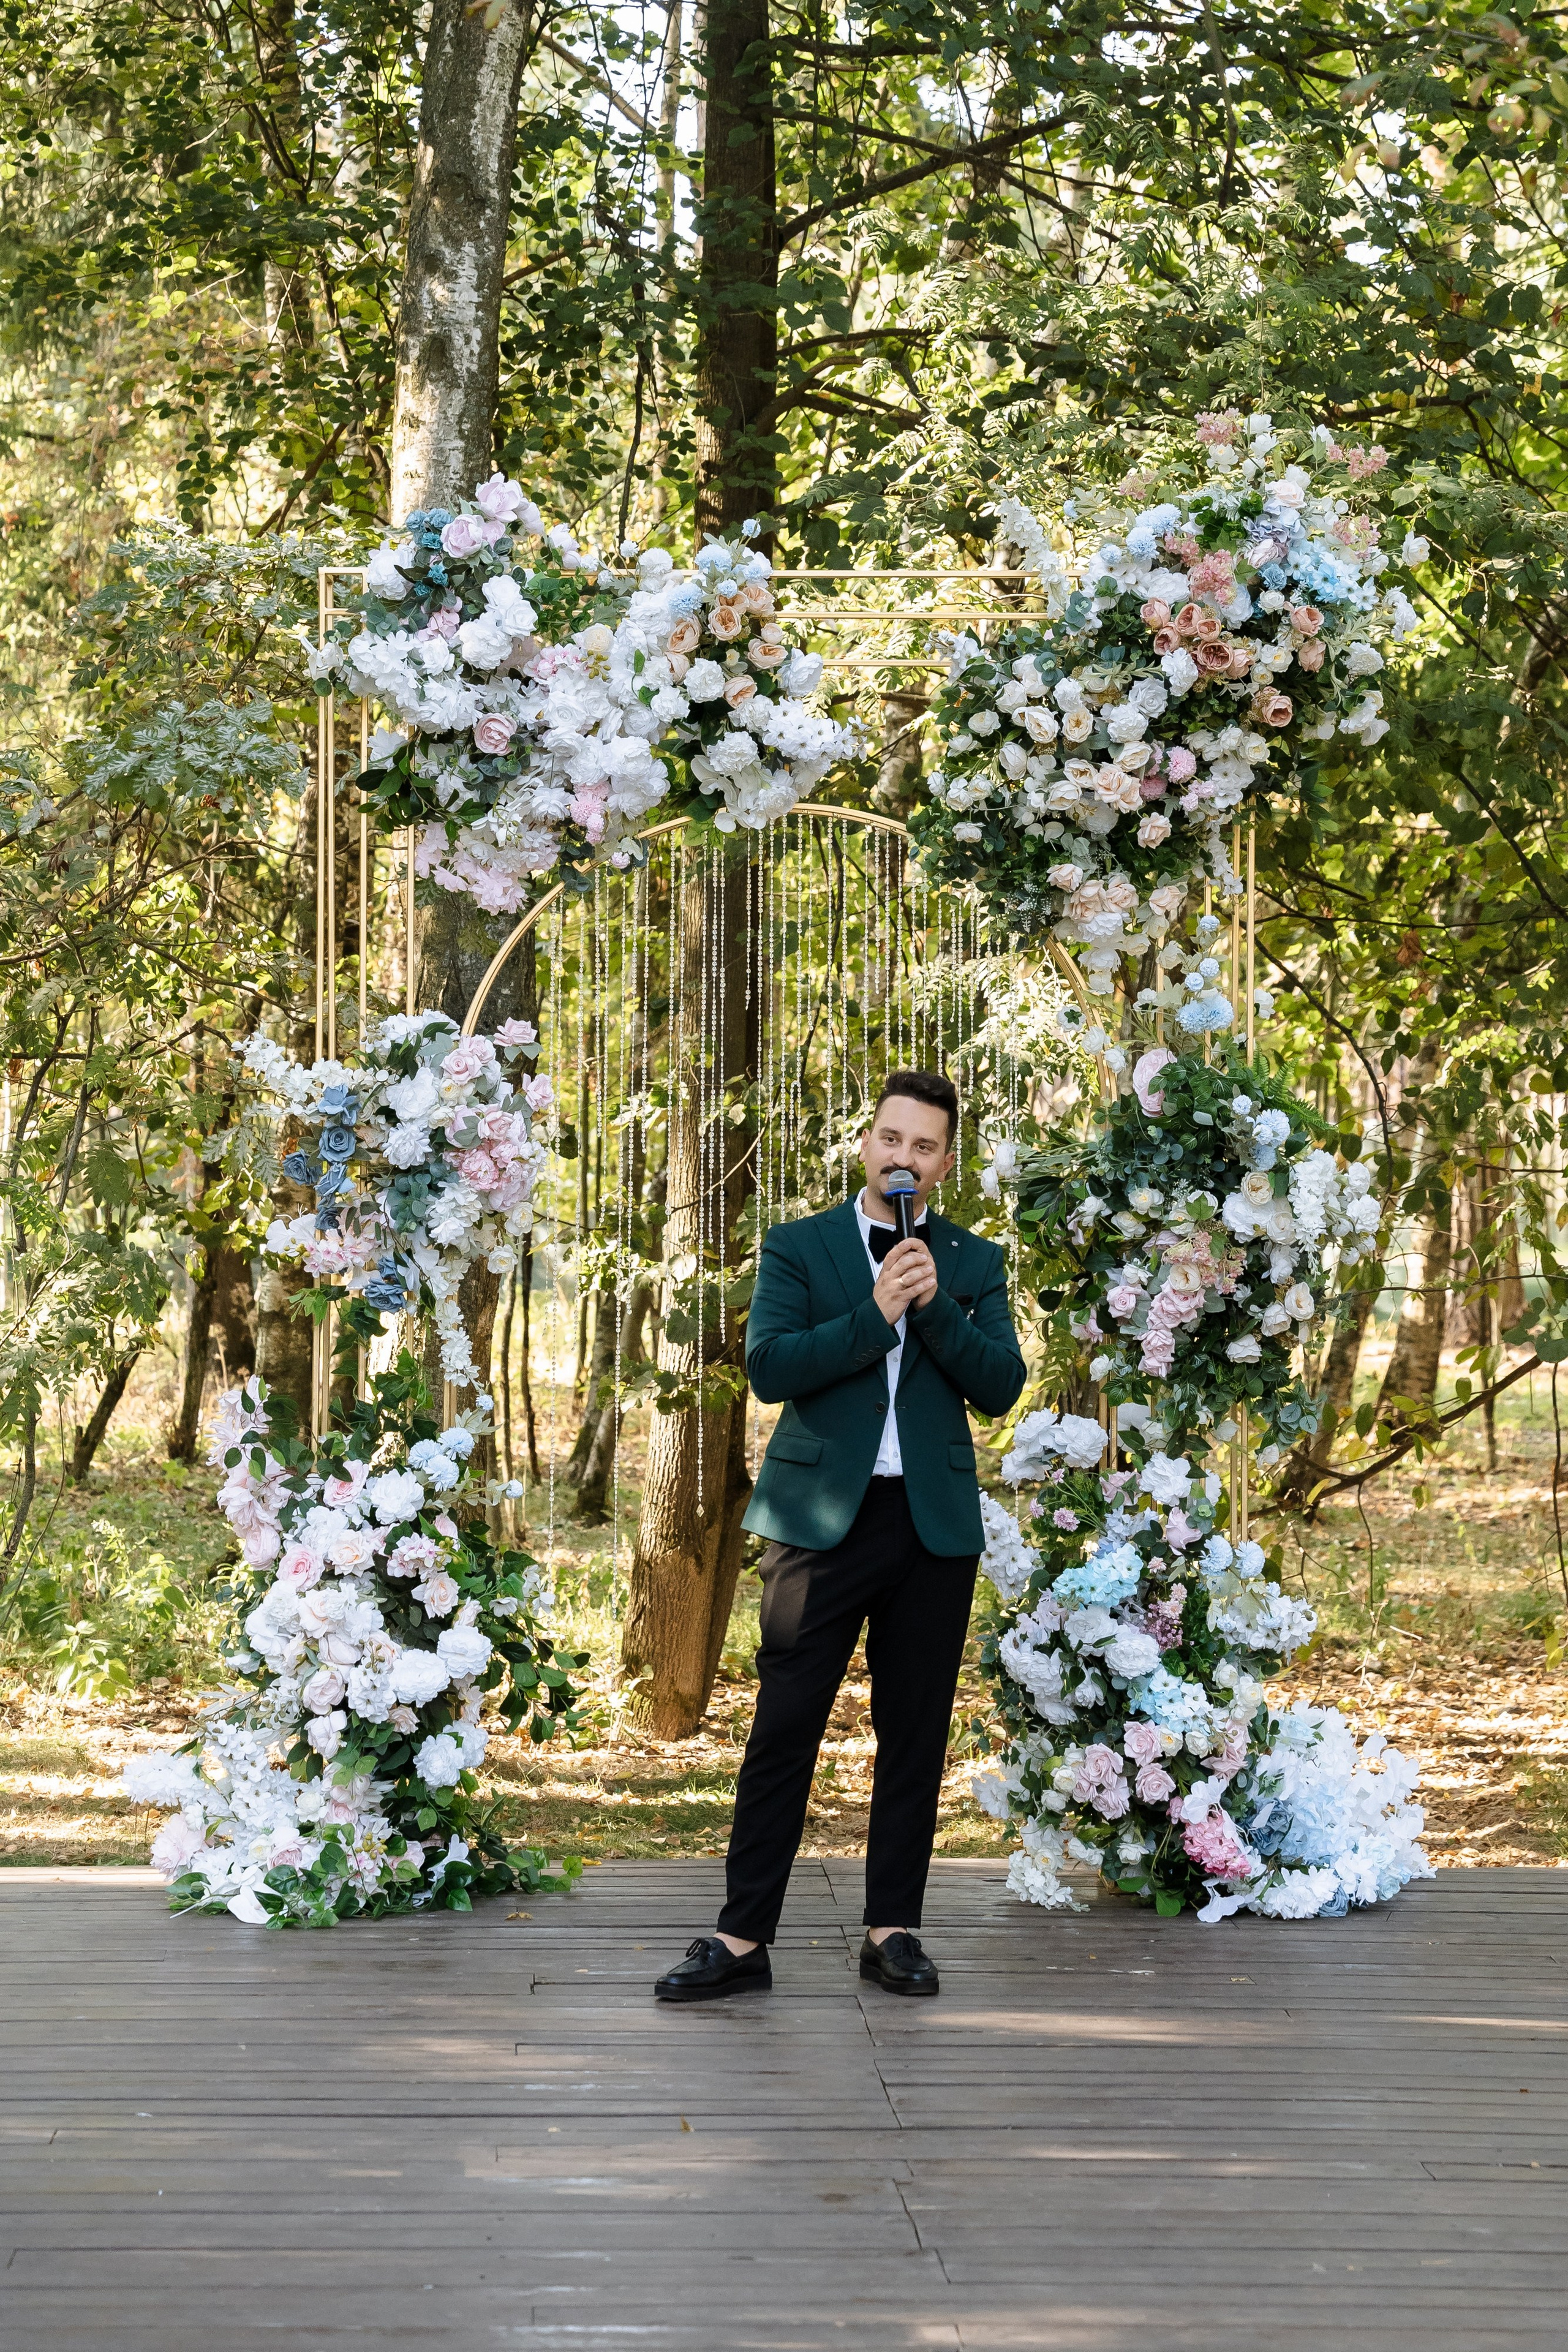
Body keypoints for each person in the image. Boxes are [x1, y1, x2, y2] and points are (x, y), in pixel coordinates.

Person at [654, 1069, 1026, 2004]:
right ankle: (741, 1941)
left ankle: (892, 1931)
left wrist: (934, 1306)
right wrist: (879, 1312)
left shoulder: (975, 1264)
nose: (905, 1157)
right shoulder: (800, 1248)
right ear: (867, 1144)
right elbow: (773, 1367)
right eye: (891, 1139)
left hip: (932, 1527)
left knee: (915, 1733)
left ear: (945, 1163)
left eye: (925, 1146)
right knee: (784, 1729)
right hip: (821, 1523)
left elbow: (1001, 1385)